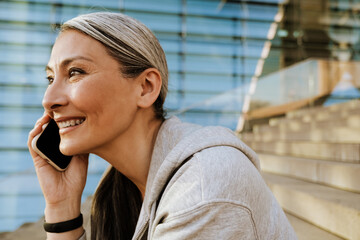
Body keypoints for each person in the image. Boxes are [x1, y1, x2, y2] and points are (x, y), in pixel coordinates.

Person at [27, 12, 297, 240]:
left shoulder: (204, 189)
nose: (48, 99)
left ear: (145, 88)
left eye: (75, 72)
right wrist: (61, 205)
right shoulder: (122, 194)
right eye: (51, 78)